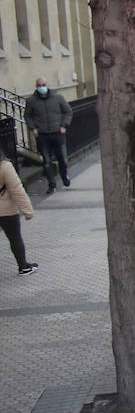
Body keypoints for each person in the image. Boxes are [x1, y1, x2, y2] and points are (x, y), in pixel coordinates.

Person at [25, 77, 74, 193]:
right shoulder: (31, 101)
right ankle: (52, 184)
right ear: (36, 86)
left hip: (57, 133)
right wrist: (33, 128)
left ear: (47, 85)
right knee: (46, 161)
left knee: (62, 159)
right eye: (39, 85)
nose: (41, 87)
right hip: (42, 135)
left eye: (43, 85)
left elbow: (68, 111)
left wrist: (64, 125)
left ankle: (64, 176)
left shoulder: (57, 97)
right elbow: (27, 116)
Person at [0, 147, 37, 275]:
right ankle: (23, 266)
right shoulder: (5, 167)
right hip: (6, 211)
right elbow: (17, 190)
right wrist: (27, 211)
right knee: (14, 238)